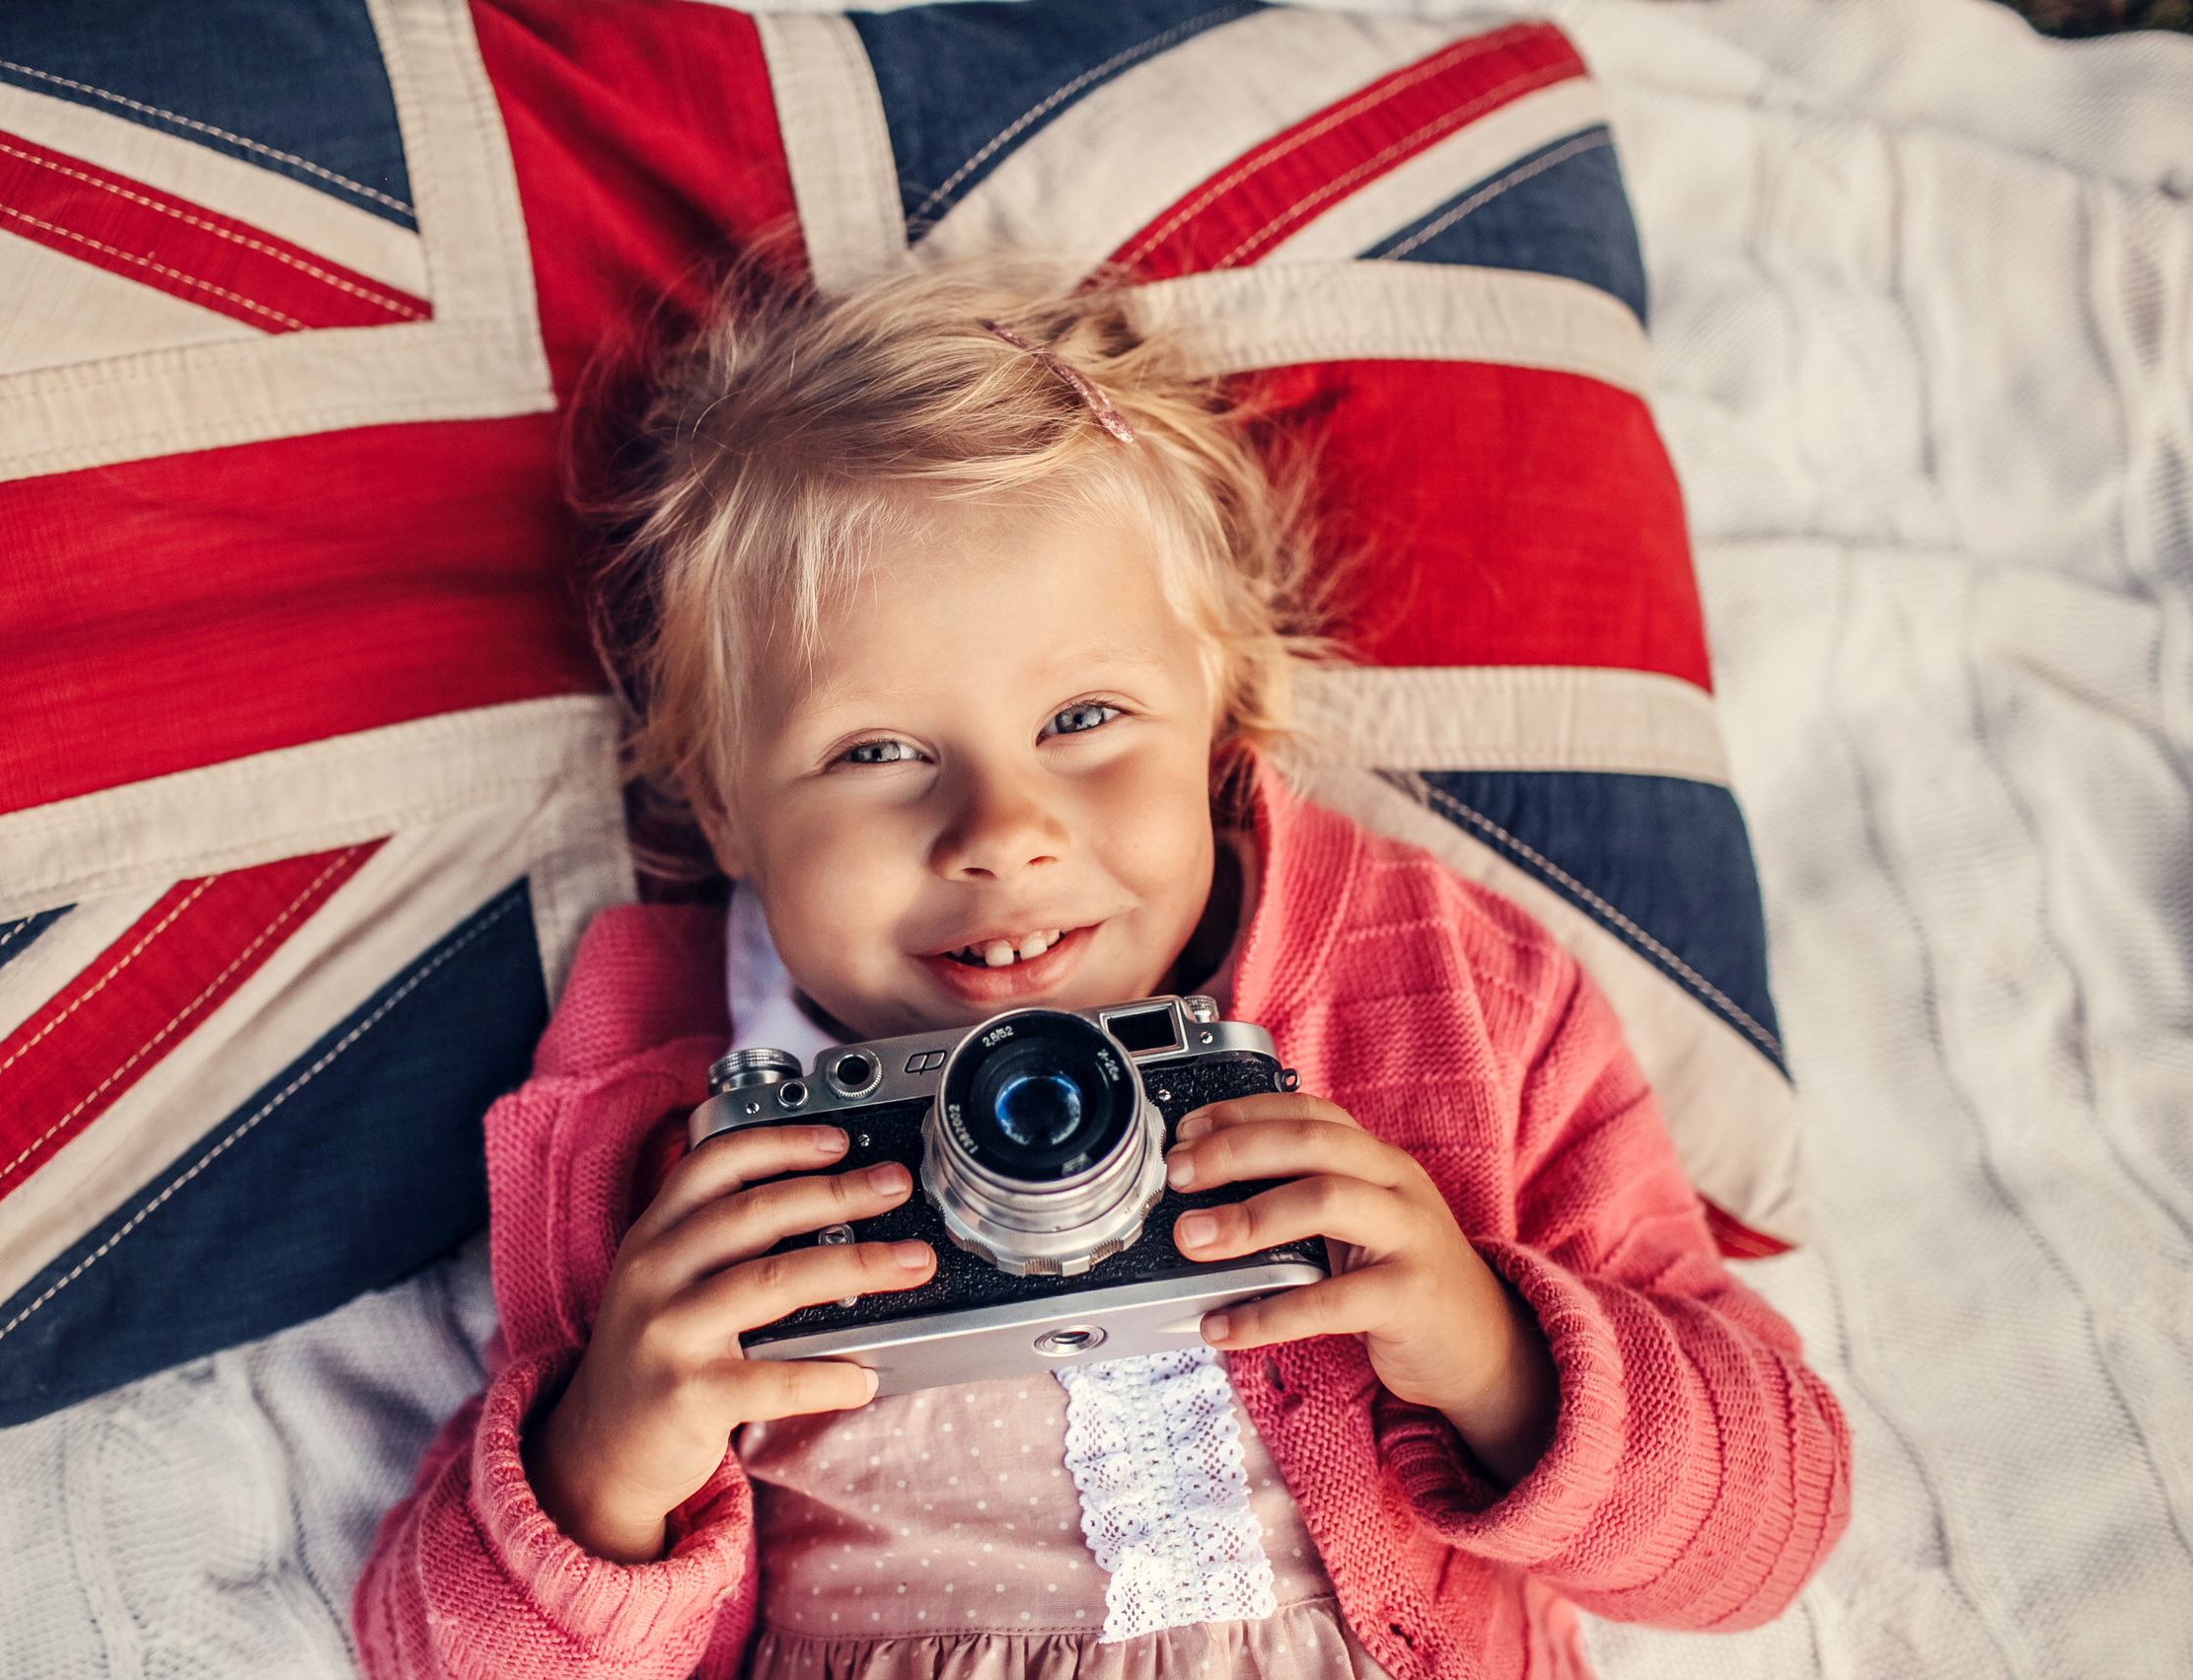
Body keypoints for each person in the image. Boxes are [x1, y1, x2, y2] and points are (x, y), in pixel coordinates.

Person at [352, 261, 1851, 1680]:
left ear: (1223, 718)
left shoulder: (1445, 995)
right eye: (875, 752)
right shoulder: (655, 1131)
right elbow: (426, 1649)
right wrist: (606, 1465)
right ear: (723, 807)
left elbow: (1771, 1530)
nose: (1002, 832)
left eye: (1083, 720)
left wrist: (1494, 1356)